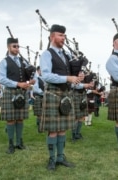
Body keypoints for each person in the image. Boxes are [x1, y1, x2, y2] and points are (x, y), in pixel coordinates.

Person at [39, 24, 82, 170]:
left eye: (64, 36)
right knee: (53, 130)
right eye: (60, 35)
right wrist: (67, 78)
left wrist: (78, 77)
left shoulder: (65, 55)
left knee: (62, 128)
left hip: (66, 94)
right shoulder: (47, 54)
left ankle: (60, 157)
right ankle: (51, 159)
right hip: (53, 94)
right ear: (52, 36)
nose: (63, 38)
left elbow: (71, 76)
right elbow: (46, 75)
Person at [0, 37, 35, 154]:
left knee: (20, 119)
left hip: (22, 93)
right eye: (14, 46)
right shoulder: (4, 62)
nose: (17, 48)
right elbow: (2, 79)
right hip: (10, 92)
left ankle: (19, 142)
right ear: (8, 47)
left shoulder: (23, 61)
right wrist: (18, 84)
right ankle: (10, 144)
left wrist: (31, 82)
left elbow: (29, 76)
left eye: (18, 46)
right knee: (10, 120)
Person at [32, 66, 45, 132]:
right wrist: (44, 93)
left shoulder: (43, 78)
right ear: (38, 70)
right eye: (41, 70)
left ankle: (42, 126)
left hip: (44, 97)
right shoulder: (36, 78)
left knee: (43, 112)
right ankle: (40, 128)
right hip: (38, 96)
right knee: (39, 113)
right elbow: (36, 89)